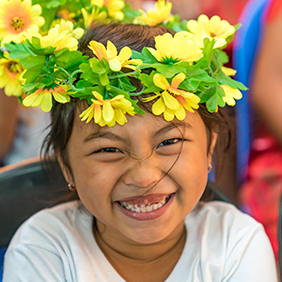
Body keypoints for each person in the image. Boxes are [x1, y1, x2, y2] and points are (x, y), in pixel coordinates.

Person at [2, 1, 278, 281]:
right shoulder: (42, 250)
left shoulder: (237, 244)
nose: (145, 177)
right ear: (66, 165)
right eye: (109, 149)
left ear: (209, 149)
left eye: (168, 143)